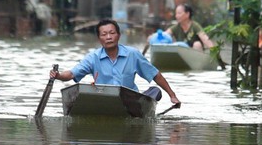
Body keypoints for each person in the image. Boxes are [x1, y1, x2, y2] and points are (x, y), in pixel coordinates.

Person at [49, 18, 181, 107]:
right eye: (104, 34)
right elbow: (72, 74)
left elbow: (155, 75)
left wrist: (172, 95)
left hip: (129, 102)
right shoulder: (93, 57)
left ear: (118, 35)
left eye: (112, 33)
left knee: (154, 91)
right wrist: (58, 76)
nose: (108, 37)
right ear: (99, 38)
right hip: (102, 101)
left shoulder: (133, 54)